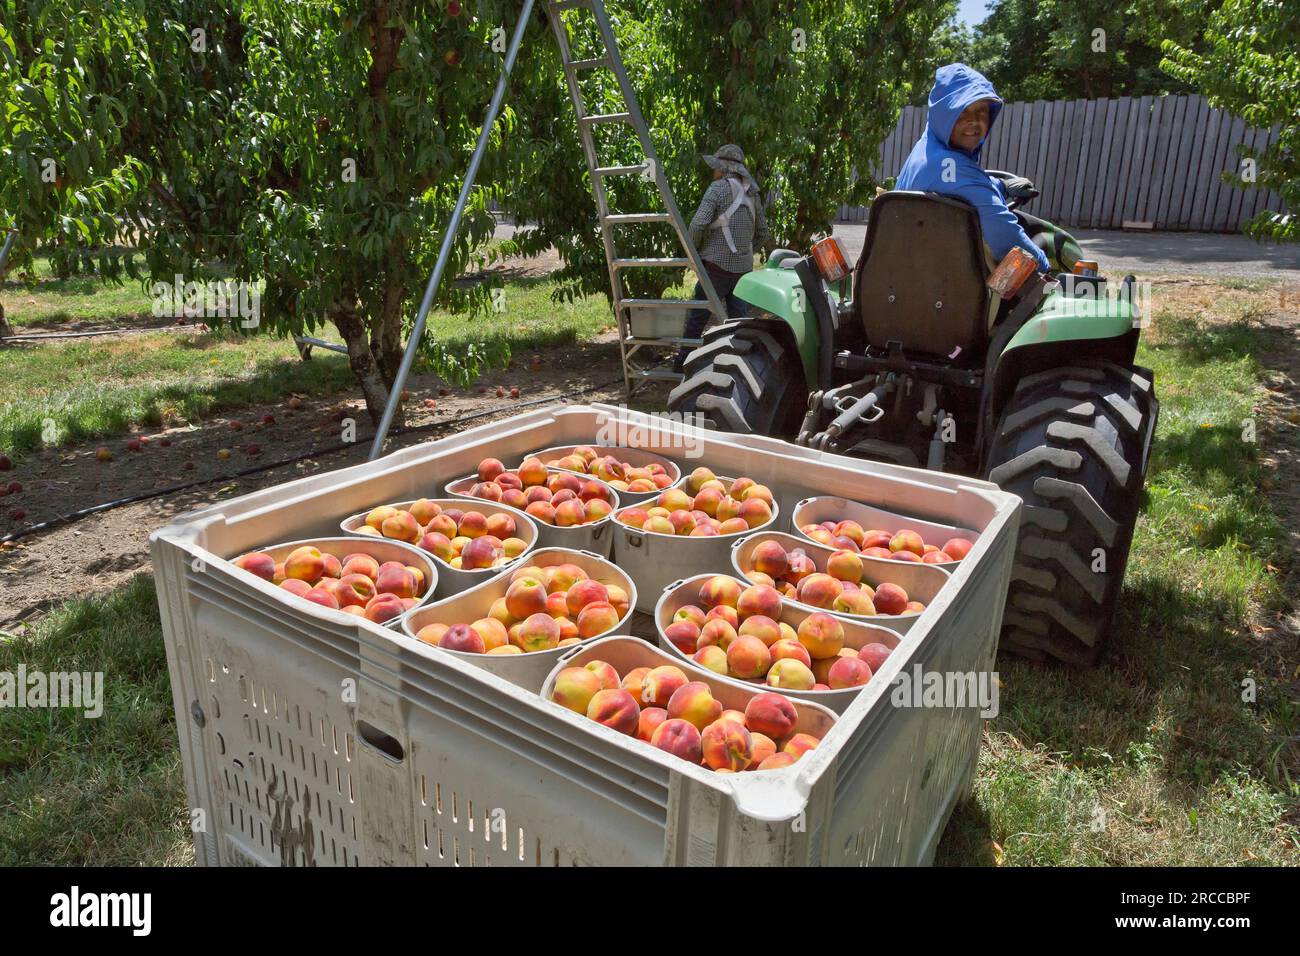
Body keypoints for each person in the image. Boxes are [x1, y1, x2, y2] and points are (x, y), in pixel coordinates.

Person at [895, 64, 1078, 274]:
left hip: (910, 278)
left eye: (981, 110)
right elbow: (1006, 239)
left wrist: (1000, 185)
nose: (973, 121)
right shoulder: (957, 168)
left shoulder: (926, 152)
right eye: (961, 111)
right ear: (944, 115)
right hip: (952, 290)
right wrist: (1046, 270)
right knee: (1046, 243)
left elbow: (960, 183)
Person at [675, 144, 770, 372]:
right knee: (739, 322)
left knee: (697, 316)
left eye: (715, 167)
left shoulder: (717, 189)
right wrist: (745, 253)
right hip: (743, 271)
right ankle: (741, 365)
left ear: (723, 168)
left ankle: (682, 363)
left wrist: (693, 252)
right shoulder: (752, 194)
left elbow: (698, 224)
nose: (713, 171)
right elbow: (763, 233)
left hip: (716, 267)